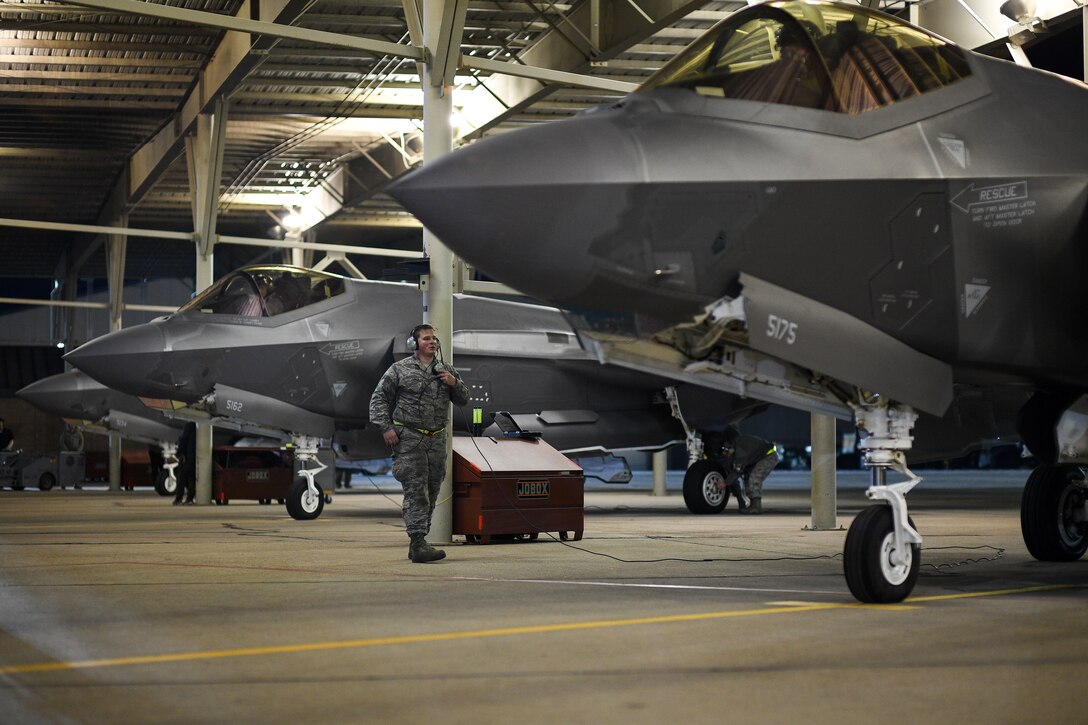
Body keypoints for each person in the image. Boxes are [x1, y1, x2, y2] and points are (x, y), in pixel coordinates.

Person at [369, 324, 469, 563]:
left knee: (433, 490)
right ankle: (418, 542)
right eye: (426, 338)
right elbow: (378, 398)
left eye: (434, 338)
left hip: (436, 439)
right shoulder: (400, 370)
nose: (432, 342)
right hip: (410, 439)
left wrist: (453, 382)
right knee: (416, 492)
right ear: (415, 344)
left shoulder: (445, 370)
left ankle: (419, 542)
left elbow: (464, 399)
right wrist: (386, 428)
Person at [718, 426, 780, 514]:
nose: (725, 448)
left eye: (726, 445)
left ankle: (756, 506)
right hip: (760, 458)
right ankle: (753, 505)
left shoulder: (740, 447)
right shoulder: (737, 445)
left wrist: (725, 483)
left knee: (754, 477)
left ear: (730, 441)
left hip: (768, 457)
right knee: (747, 477)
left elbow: (737, 470)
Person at [173, 421, 196, 505]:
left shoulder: (189, 425)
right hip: (195, 457)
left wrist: (179, 453)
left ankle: (178, 499)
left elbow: (183, 439)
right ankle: (190, 499)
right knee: (192, 479)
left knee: (181, 478)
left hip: (186, 456)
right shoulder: (199, 425)